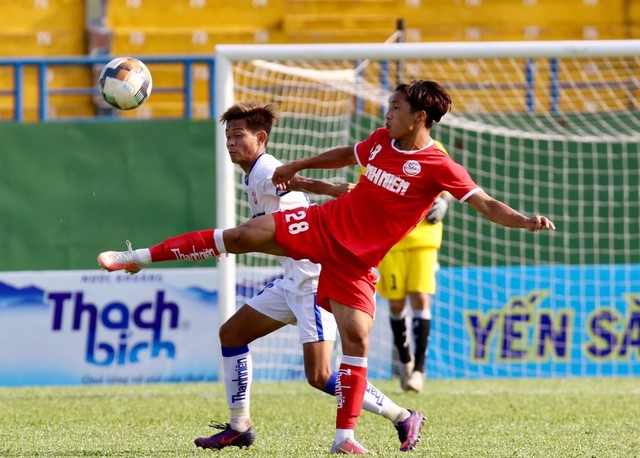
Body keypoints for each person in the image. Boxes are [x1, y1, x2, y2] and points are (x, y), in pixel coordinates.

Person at [98, 80, 555, 455]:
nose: (386, 114)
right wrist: (298, 165)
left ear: (420, 116)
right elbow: (343, 156)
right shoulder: (380, 142)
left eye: (394, 107)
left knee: (350, 344)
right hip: (321, 227)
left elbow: (486, 203)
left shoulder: (439, 166)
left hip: (354, 262)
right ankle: (134, 258)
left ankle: (348, 439)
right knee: (240, 239)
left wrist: (524, 220)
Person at [377, 187, 450, 394]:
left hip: (424, 239)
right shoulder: (374, 154)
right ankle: (404, 359)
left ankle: (419, 368)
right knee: (396, 303)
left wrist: (444, 199)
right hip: (391, 239)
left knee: (420, 297)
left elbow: (450, 185)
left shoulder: (436, 152)